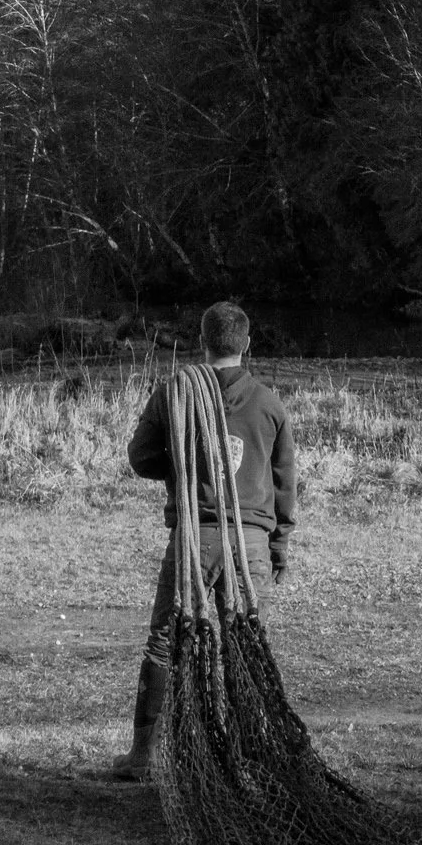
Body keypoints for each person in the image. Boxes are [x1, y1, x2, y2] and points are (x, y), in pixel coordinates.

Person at [112, 298, 297, 781]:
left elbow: (140, 457)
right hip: (250, 543)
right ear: (247, 344)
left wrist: (182, 464)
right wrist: (279, 546)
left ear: (202, 341)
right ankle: (251, 755)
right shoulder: (269, 404)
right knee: (244, 644)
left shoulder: (176, 392)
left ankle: (143, 758)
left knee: (163, 642)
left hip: (195, 539)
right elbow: (284, 483)